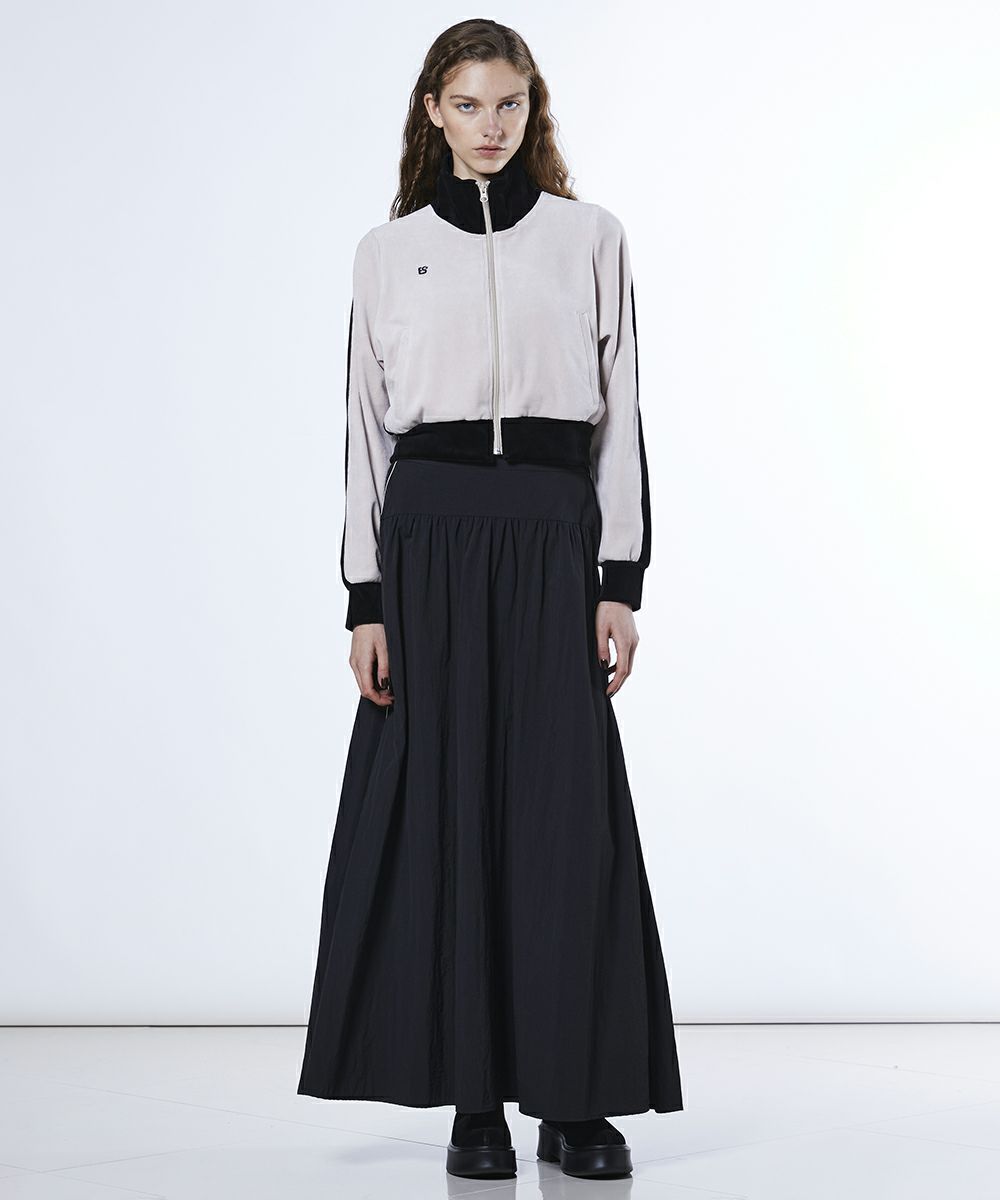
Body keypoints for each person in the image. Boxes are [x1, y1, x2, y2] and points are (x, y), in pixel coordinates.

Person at [297, 19, 684, 1181]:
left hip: (552, 538)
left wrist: (619, 581)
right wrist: (365, 599)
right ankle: (474, 1098)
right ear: (433, 110)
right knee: (447, 812)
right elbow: (363, 431)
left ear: (533, 107)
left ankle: (574, 1099)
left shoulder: (588, 237)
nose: (488, 126)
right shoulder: (387, 252)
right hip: (428, 543)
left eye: (507, 103)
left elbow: (621, 410)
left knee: (563, 821)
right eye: (466, 104)